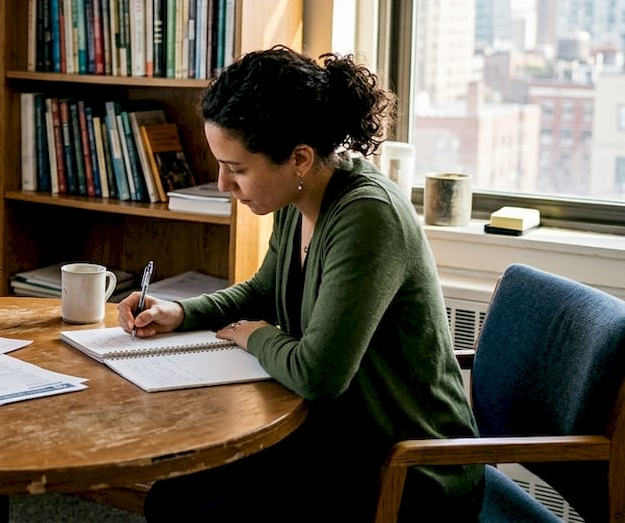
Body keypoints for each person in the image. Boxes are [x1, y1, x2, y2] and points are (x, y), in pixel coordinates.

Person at [119, 46, 482, 522]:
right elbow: (263, 291)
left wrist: (255, 335)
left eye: (237, 168)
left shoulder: (368, 217)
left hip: (407, 470)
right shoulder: (298, 201)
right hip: (336, 440)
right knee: (172, 496)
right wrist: (182, 313)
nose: (224, 184)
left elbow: (319, 375)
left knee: (199, 509)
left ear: (300, 158)